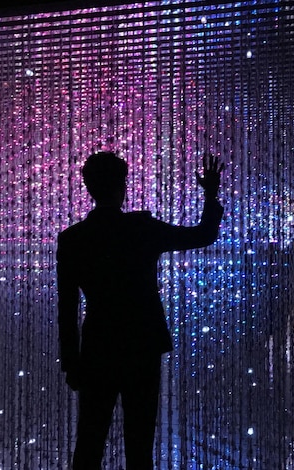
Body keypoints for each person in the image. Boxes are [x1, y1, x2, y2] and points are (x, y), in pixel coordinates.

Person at [56, 151, 224, 469]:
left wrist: (72, 364)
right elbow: (202, 235)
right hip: (141, 347)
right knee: (140, 445)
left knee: (89, 444)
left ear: (89, 189)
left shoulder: (73, 239)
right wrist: (211, 194)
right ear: (123, 187)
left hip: (97, 350)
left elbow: (68, 307)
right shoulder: (141, 228)